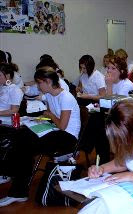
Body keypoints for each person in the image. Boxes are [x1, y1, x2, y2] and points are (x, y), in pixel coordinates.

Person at [0, 67, 80, 207]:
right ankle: (11, 178)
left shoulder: (66, 97)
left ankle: (18, 191)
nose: (38, 86)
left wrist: (49, 116)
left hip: (68, 137)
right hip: (55, 129)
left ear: (48, 82)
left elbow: (62, 125)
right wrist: (39, 119)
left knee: (25, 144)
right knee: (20, 136)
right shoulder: (49, 95)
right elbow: (49, 114)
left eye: (39, 83)